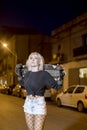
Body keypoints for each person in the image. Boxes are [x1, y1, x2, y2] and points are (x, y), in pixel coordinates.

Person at [15, 52, 65, 130]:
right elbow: (23, 83)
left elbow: (57, 87)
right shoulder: (27, 74)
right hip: (28, 104)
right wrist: (19, 74)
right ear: (28, 61)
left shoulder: (44, 74)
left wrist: (60, 76)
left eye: (35, 58)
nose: (33, 60)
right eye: (31, 58)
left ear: (40, 61)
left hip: (39, 105)